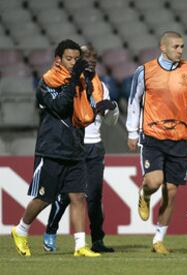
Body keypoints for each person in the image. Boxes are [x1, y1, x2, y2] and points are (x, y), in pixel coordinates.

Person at [11, 39, 104, 257]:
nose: (73, 63)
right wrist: (74, 80)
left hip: (75, 147)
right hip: (52, 148)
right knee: (45, 198)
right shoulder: (47, 81)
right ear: (58, 59)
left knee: (79, 197)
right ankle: (21, 229)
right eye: (69, 59)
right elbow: (61, 106)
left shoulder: (80, 80)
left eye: (75, 59)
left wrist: (96, 100)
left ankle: (80, 246)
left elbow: (84, 115)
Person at [126, 31, 187, 254]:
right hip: (152, 136)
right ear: (163, 48)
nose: (181, 51)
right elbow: (134, 100)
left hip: (179, 139)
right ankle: (144, 195)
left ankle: (158, 240)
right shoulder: (144, 71)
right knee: (154, 183)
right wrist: (132, 132)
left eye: (182, 46)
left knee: (171, 191)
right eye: (176, 47)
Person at [43, 44, 119, 253]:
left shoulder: (102, 86)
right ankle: (51, 229)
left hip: (94, 145)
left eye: (94, 56)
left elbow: (112, 121)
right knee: (67, 195)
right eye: (86, 56)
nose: (91, 60)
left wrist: (112, 108)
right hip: (72, 144)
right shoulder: (66, 83)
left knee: (94, 196)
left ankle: (97, 240)